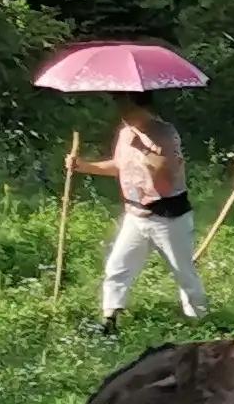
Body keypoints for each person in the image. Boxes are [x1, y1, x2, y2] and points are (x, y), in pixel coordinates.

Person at [70, 91, 205, 333]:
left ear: (143, 107)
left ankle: (200, 321)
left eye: (128, 109)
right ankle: (109, 320)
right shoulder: (125, 134)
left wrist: (144, 151)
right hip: (135, 214)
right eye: (120, 108)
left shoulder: (165, 134)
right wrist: (83, 166)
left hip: (168, 215)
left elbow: (167, 177)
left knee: (182, 270)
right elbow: (119, 166)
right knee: (118, 266)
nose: (123, 115)